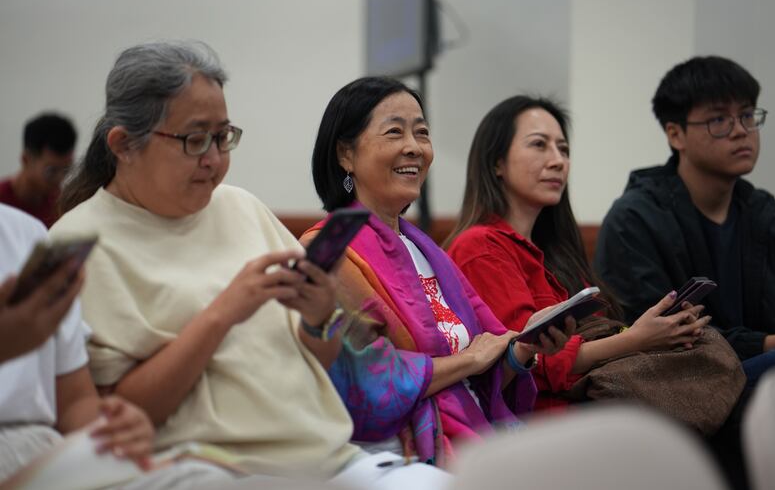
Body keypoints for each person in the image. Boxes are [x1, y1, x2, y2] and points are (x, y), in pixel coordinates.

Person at [51, 41, 449, 489]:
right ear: (124, 145)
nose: (215, 160)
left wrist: (319, 319)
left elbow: (321, 360)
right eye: (195, 140)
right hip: (203, 469)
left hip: (330, 458)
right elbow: (112, 422)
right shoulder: (76, 249)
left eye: (223, 138)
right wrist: (223, 313)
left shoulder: (240, 207)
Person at [304, 77, 570, 466]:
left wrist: (524, 348)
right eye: (395, 132)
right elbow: (368, 386)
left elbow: (486, 367)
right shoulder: (329, 251)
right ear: (346, 154)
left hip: (470, 438)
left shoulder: (426, 250)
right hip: (386, 456)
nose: (414, 147)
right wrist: (470, 361)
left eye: (422, 132)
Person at [445, 95, 710, 409]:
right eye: (539, 145)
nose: (558, 161)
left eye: (564, 149)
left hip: (600, 403)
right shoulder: (481, 246)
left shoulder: (557, 250)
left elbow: (598, 335)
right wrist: (637, 339)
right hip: (546, 421)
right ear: (496, 163)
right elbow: (533, 362)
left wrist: (658, 328)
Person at [593, 56, 775, 386]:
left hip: (770, 381)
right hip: (686, 385)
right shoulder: (634, 221)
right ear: (675, 135)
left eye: (747, 115)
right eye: (719, 120)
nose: (740, 131)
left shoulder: (767, 216)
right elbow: (662, 340)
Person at [0, 203, 230, 489]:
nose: (211, 161)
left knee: (206, 481)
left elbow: (75, 402)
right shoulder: (83, 229)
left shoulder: (25, 233)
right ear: (122, 154)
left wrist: (116, 426)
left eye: (222, 152)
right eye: (192, 152)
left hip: (45, 454)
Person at [0, 113, 77, 228]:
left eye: (66, 169)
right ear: (26, 160)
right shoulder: (2, 203)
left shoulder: (60, 206)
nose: (60, 179)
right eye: (51, 171)